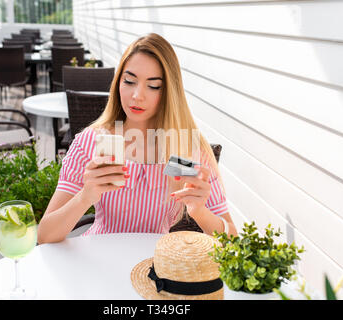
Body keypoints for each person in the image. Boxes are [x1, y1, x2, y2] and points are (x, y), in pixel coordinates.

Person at [37, 33, 237, 244]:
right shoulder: (93, 142)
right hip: (98, 258)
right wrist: (84, 197)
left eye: (153, 86)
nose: (137, 95)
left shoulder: (181, 152)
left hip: (155, 266)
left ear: (170, 91)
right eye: (130, 81)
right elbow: (45, 235)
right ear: (118, 83)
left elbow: (232, 240)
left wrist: (199, 211)